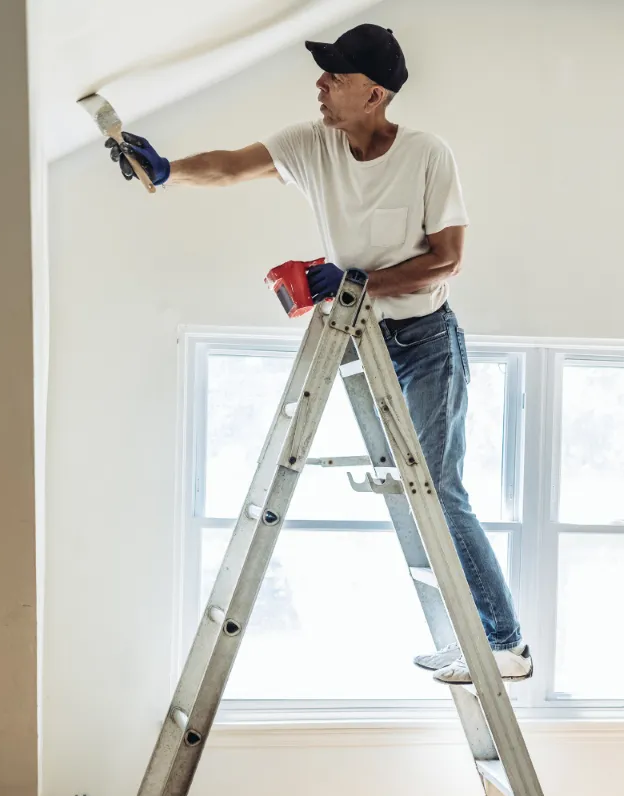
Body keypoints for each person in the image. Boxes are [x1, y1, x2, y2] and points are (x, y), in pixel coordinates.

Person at [105, 23, 532, 685]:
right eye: (324, 72)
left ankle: (505, 646)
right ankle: (467, 643)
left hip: (422, 342)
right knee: (411, 497)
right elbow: (228, 166)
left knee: (440, 491)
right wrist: (167, 170)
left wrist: (359, 283)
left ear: (376, 94)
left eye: (337, 75)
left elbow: (446, 260)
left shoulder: (426, 154)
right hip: (359, 339)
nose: (321, 84)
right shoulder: (312, 145)